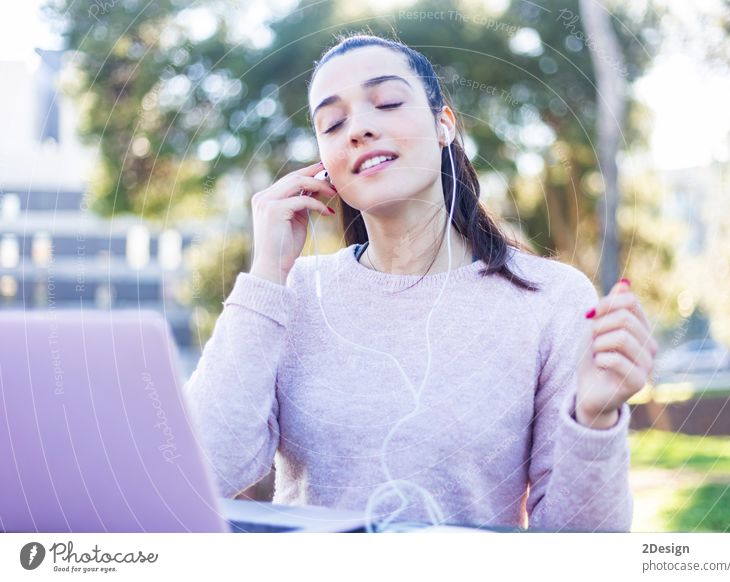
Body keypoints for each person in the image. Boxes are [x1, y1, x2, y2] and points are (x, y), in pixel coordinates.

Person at [183, 33, 658, 532]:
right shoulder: (294, 291)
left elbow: (578, 547)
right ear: (325, 161)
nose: (359, 128)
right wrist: (266, 275)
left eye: (386, 102)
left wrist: (596, 419)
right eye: (333, 122)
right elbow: (202, 473)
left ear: (443, 125)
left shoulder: (551, 299)